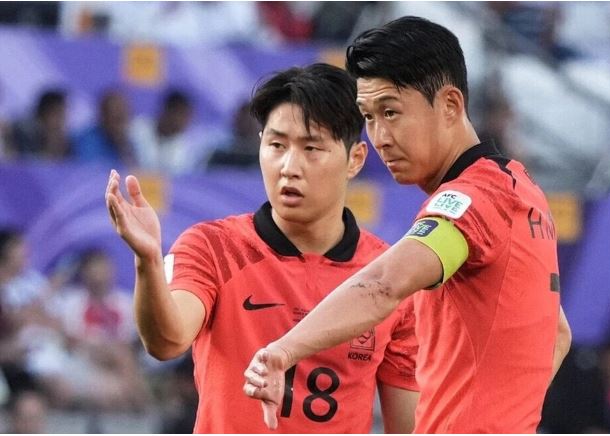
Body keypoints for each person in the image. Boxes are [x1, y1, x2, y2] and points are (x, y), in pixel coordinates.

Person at [243, 16, 572, 433]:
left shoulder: (472, 200)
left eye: (391, 112)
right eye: (369, 116)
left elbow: (385, 283)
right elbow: (556, 334)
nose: (379, 135)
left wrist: (283, 351)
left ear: (450, 105)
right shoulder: (523, 191)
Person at [105, 63, 419, 433]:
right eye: (276, 145)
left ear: (355, 159)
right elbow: (166, 341)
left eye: (312, 148)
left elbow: (408, 424)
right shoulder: (213, 247)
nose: (289, 166)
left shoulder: (390, 277)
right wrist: (148, 261)